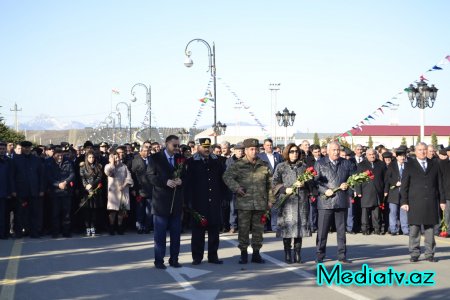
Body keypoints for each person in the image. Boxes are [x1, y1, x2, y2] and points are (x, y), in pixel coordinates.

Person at [223, 138, 274, 264]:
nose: (254, 151)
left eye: (256, 149)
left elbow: (270, 184)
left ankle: (256, 254)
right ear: (246, 150)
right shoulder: (239, 165)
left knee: (258, 231)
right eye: (251, 149)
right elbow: (226, 176)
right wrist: (236, 188)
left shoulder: (263, 165)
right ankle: (244, 254)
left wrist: (270, 200)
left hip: (260, 204)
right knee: (244, 230)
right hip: (244, 203)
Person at [401, 142, 446, 263]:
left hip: (431, 201)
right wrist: (404, 202)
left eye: (424, 149)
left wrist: (442, 200)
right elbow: (404, 185)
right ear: (415, 151)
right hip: (414, 201)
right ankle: (414, 253)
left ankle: (430, 253)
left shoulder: (434, 164)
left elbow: (440, 184)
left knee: (430, 230)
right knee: (414, 229)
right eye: (420, 150)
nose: (422, 152)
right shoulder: (409, 165)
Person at [185, 138, 225, 265]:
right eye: (204, 147)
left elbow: (222, 180)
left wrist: (224, 197)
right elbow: (187, 183)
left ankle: (213, 256)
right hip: (198, 201)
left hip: (214, 199)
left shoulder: (217, 161)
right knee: (198, 231)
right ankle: (197, 257)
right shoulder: (191, 162)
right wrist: (188, 201)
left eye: (209, 147)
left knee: (214, 229)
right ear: (197, 147)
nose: (207, 149)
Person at [314, 141, 355, 263]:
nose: (336, 152)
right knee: (322, 231)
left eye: (338, 150)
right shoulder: (320, 163)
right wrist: (324, 190)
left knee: (341, 231)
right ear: (328, 151)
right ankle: (320, 256)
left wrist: (348, 184)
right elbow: (315, 182)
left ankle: (342, 256)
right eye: (334, 150)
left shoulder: (346, 163)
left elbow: (354, 179)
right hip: (325, 201)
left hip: (341, 200)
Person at [148, 135, 184, 269]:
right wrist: (165, 182)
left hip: (176, 203)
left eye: (178, 145)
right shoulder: (155, 158)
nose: (176, 148)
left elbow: (185, 175)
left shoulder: (180, 158)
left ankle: (174, 259)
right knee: (160, 236)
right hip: (161, 203)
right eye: (174, 145)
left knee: (176, 234)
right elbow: (150, 176)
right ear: (167, 144)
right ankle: (159, 260)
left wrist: (181, 181)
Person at [272, 143, 311, 263]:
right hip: (286, 202)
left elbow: (312, 183)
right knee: (287, 228)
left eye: (296, 151)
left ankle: (297, 253)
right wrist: (284, 189)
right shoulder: (281, 166)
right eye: (292, 151)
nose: (294, 154)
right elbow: (274, 183)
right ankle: (287, 253)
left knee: (299, 229)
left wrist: (305, 184)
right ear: (287, 153)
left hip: (301, 201)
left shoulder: (303, 166)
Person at [11, 141, 45, 238]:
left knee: (34, 213)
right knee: (19, 213)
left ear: (30, 148)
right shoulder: (16, 159)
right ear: (21, 148)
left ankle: (34, 232)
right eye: (24, 147)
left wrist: (41, 189)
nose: (26, 149)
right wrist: (13, 190)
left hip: (34, 191)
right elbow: (12, 176)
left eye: (28, 147)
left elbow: (41, 176)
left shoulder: (36, 159)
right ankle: (18, 232)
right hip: (20, 191)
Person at [355, 148, 386, 235]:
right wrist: (358, 191)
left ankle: (377, 229)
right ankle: (365, 229)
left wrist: (385, 190)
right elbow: (357, 179)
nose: (372, 156)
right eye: (370, 154)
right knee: (365, 212)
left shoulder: (381, 164)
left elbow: (385, 179)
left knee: (376, 212)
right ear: (366, 155)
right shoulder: (361, 165)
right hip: (365, 192)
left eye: (373, 154)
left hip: (378, 191)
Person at [46, 148, 75, 238]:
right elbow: (49, 177)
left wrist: (65, 182)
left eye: (61, 155)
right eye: (58, 155)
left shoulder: (68, 162)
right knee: (55, 213)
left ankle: (66, 232)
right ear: (54, 155)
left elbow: (72, 174)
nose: (60, 157)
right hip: (55, 192)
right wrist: (58, 184)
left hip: (66, 191)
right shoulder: (49, 164)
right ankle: (55, 232)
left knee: (66, 213)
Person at [104, 150, 133, 235]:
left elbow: (129, 178)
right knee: (112, 211)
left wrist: (124, 185)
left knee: (121, 211)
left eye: (117, 157)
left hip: (123, 191)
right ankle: (112, 227)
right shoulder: (108, 166)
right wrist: (112, 164)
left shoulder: (124, 166)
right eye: (113, 157)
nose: (116, 159)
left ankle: (120, 227)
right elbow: (109, 173)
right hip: (113, 193)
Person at [257, 138, 283, 232]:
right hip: (264, 183)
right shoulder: (259, 156)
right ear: (264, 146)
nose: (269, 147)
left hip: (276, 184)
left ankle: (274, 226)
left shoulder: (278, 156)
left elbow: (282, 167)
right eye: (267, 145)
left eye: (271, 145)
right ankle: (263, 226)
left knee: (275, 205)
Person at [79, 150, 103, 237]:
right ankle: (87, 227)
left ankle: (93, 227)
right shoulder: (82, 167)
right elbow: (82, 178)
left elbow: (99, 177)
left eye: (93, 157)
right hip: (86, 192)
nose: (91, 159)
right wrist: (87, 187)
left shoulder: (99, 166)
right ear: (86, 158)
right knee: (86, 211)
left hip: (95, 190)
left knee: (94, 211)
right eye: (89, 157)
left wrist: (92, 185)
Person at [384, 149, 408, 236]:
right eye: (401, 156)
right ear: (397, 157)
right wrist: (395, 183)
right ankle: (393, 229)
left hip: (404, 193)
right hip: (393, 192)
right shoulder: (392, 165)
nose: (403, 158)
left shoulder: (408, 165)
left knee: (404, 211)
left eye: (404, 156)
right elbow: (387, 178)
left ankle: (405, 229)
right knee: (393, 211)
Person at [131, 146, 153, 234]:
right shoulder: (136, 160)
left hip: (150, 189)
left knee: (149, 210)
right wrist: (133, 188)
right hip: (140, 189)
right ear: (140, 152)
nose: (147, 152)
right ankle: (139, 227)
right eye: (144, 151)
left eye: (148, 151)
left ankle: (147, 227)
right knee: (140, 209)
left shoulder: (151, 159)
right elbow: (133, 175)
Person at [225, 142, 245, 234]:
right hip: (233, 188)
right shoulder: (229, 161)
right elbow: (227, 175)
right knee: (233, 209)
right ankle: (233, 226)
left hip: (244, 188)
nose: (240, 152)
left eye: (242, 150)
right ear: (235, 151)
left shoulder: (247, 160)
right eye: (239, 150)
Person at [0, 142, 11, 239]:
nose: (2, 151)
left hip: (6, 193)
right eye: (0, 149)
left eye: (3, 149)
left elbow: (11, 178)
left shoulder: (9, 161)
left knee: (5, 215)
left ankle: (4, 233)